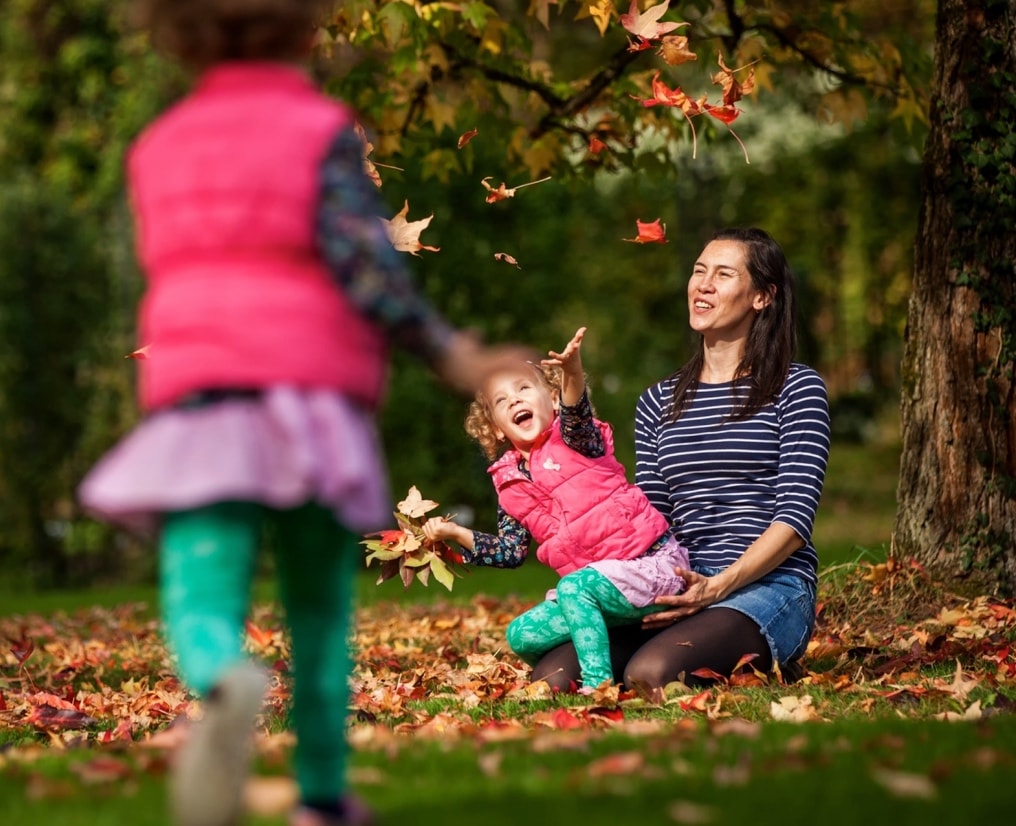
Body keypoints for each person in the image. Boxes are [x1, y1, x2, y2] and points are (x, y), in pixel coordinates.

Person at [77, 2, 528, 825]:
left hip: (203, 402)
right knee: (320, 612)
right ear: (303, 28)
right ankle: (322, 797)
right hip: (312, 406)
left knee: (200, 585)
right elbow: (366, 271)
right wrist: (450, 352)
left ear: (178, 33)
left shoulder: (159, 148)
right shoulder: (320, 131)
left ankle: (218, 672)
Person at [528, 228, 831, 700]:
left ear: (762, 296)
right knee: (551, 679)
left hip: (766, 586)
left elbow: (795, 518)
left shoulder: (796, 388)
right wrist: (614, 584)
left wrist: (716, 587)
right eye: (698, 271)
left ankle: (772, 655)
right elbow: (652, 518)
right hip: (673, 583)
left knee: (651, 673)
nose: (703, 284)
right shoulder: (658, 401)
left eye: (723, 274)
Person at [422, 327, 690, 692]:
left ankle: (598, 687)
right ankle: (605, 646)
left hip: (651, 566)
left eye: (523, 389)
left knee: (574, 588)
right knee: (521, 634)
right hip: (598, 588)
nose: (515, 401)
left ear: (551, 399)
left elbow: (576, 410)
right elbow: (509, 551)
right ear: (497, 430)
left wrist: (572, 372)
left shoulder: (575, 438)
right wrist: (454, 533)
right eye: (502, 401)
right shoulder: (509, 486)